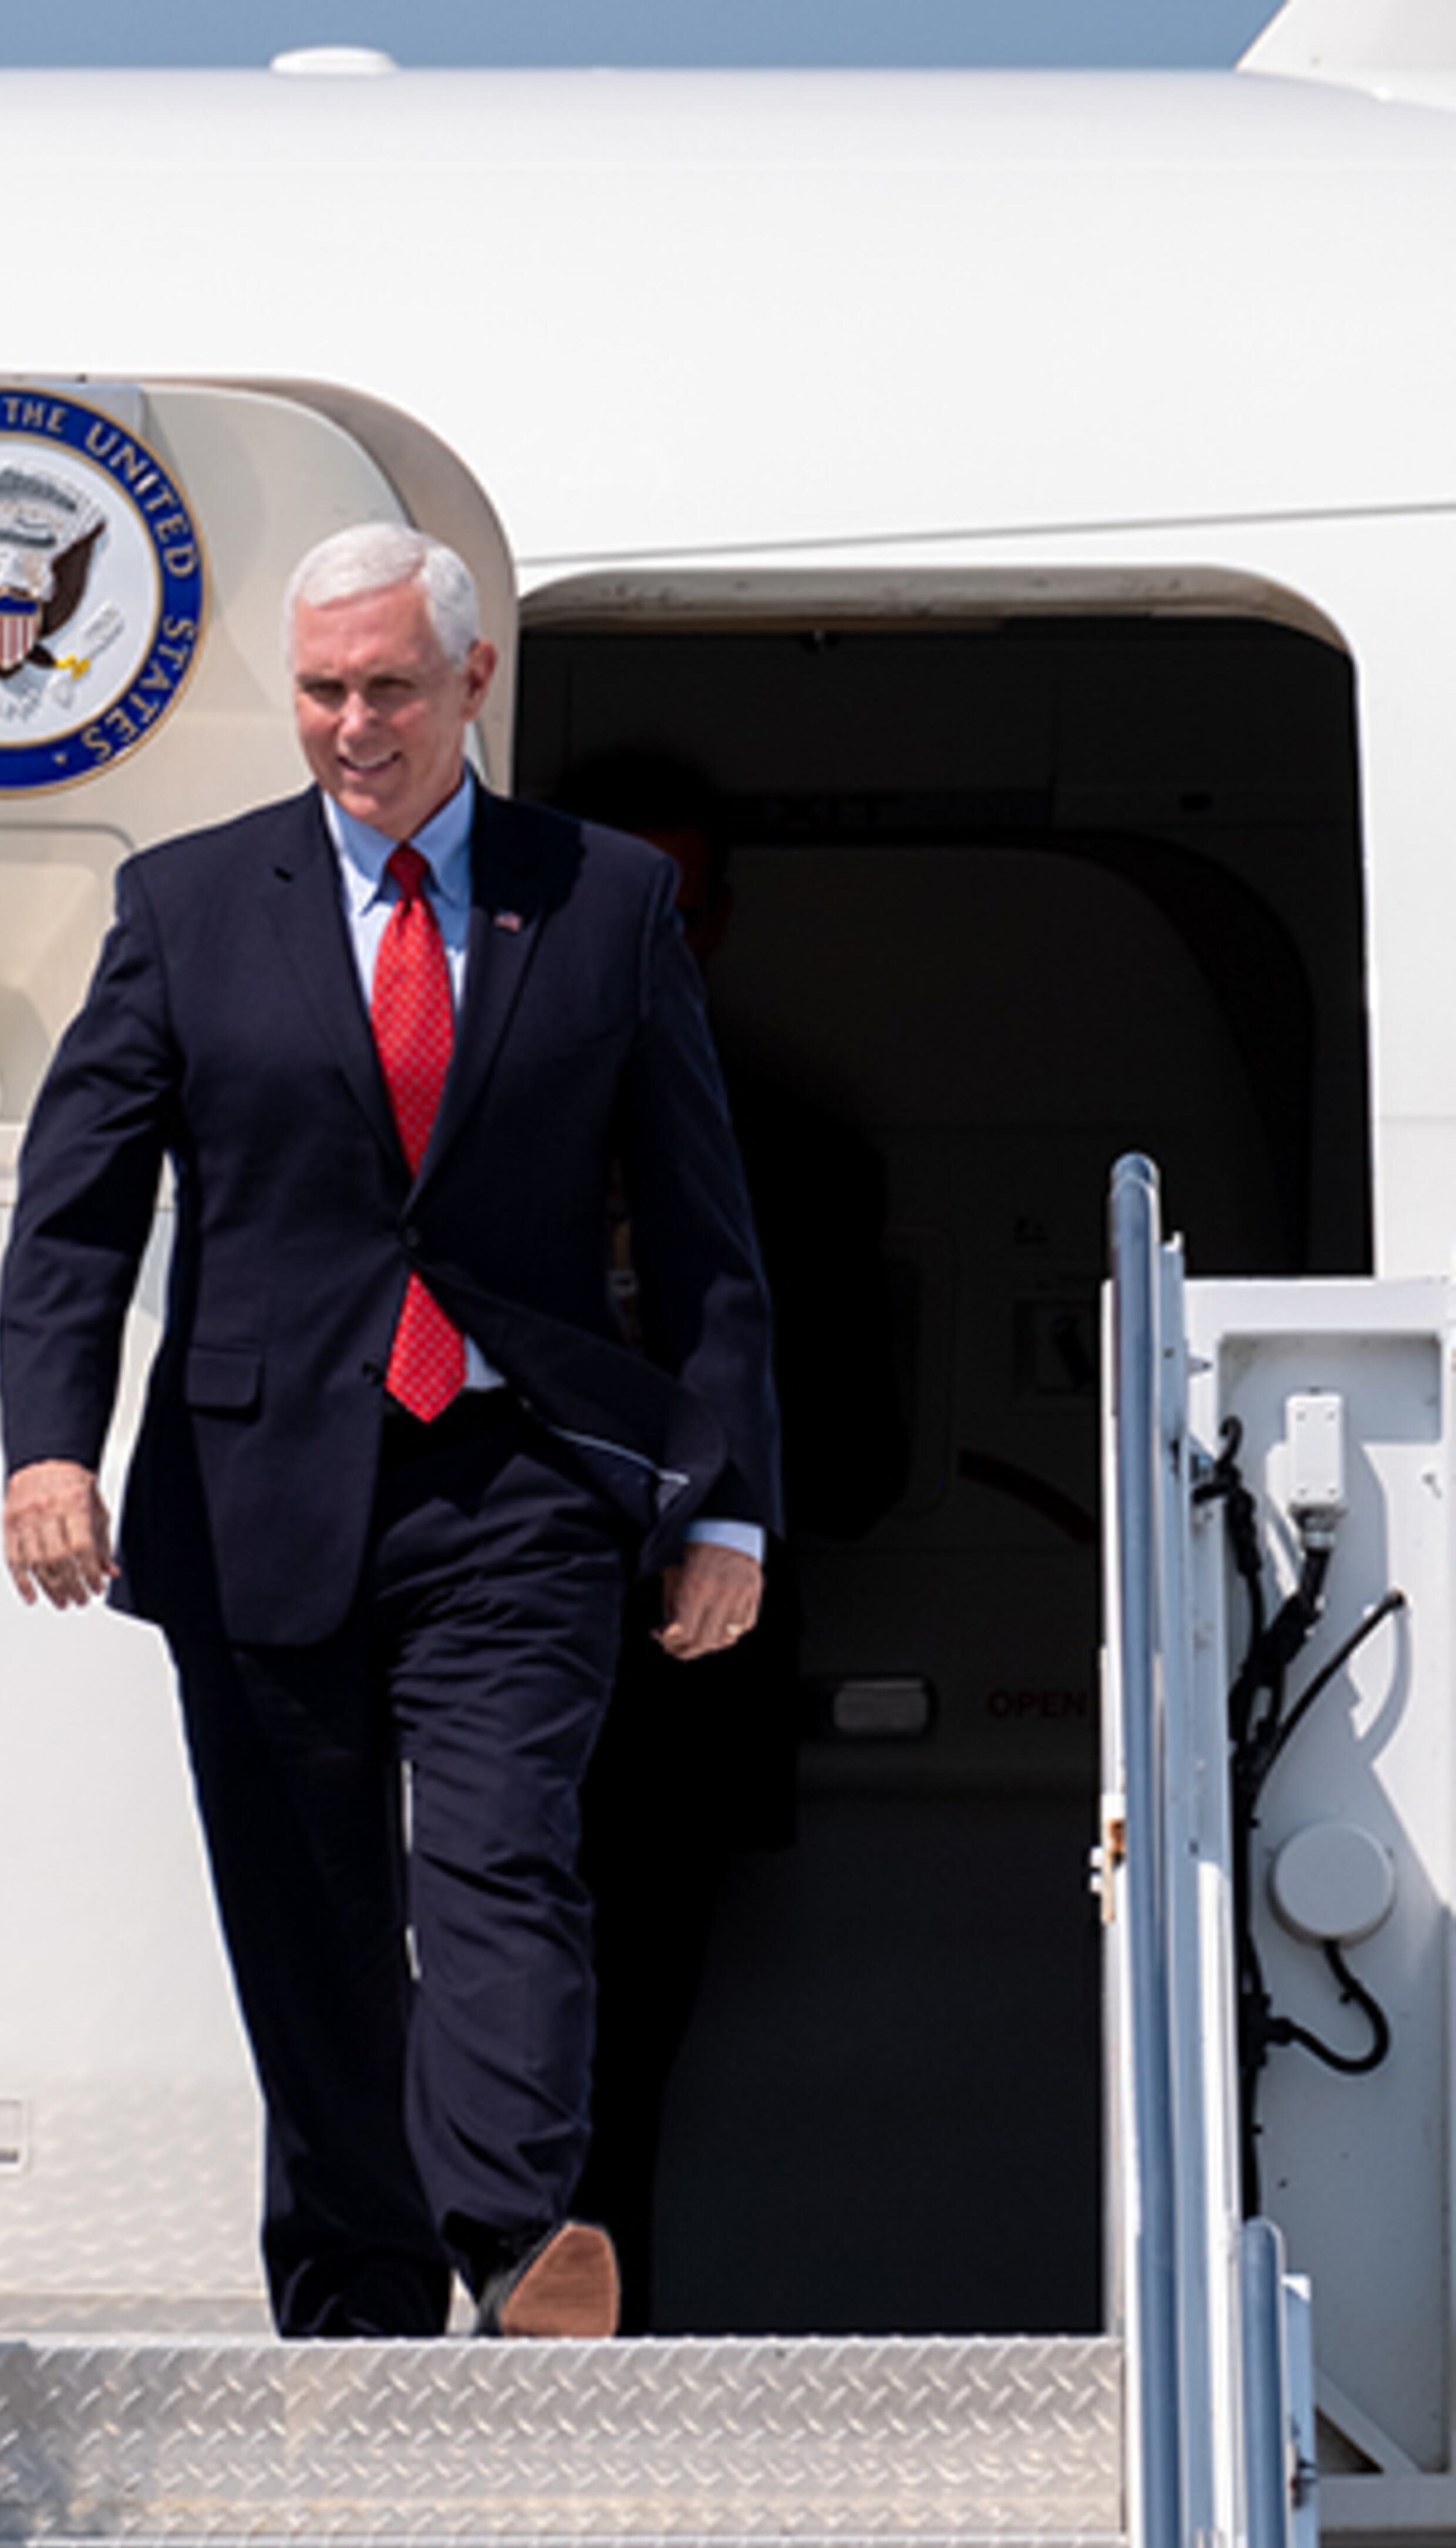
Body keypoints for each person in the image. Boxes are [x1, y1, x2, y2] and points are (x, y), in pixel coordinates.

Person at [0, 525, 779, 2341]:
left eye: (392, 689)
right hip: (256, 1479)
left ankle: (516, 2238)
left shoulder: (598, 901)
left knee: (505, 1851)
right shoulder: (189, 907)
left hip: (516, 1481)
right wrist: (53, 1445)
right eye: (327, 691)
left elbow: (700, 1225)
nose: (356, 726)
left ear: (473, 682)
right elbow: (80, 1206)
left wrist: (722, 1502)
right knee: (312, 1919)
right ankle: (354, 2291)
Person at [557, 752, 909, 2326]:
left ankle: (584, 2402)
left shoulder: (806, 1161)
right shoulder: (448, 1124)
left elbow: (855, 1465)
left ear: (713, 927)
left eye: (677, 910)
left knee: (623, 2060)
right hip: (451, 1647)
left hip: (682, 1680)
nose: (652, 940)